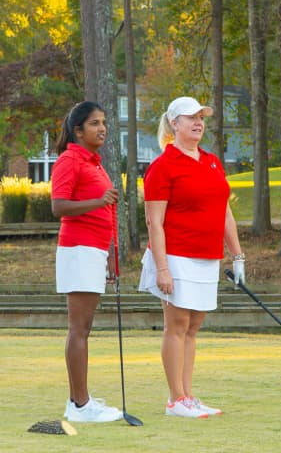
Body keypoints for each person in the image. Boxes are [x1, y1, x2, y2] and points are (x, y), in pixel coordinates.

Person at [139, 96, 246, 418]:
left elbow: (224, 212)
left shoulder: (212, 161)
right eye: (190, 117)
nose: (198, 122)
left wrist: (237, 256)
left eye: (201, 117)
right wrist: (162, 269)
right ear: (175, 124)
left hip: (206, 256)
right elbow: (153, 222)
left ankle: (188, 395)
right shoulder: (163, 166)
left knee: (194, 327)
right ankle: (176, 400)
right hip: (175, 255)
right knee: (177, 325)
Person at [51, 101, 123, 423]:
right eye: (94, 123)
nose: (102, 128)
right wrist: (99, 200)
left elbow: (104, 214)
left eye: (103, 122)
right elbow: (59, 206)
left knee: (85, 327)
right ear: (78, 130)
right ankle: (79, 405)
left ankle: (80, 400)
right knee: (78, 328)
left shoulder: (94, 163)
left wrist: (108, 255)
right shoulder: (70, 160)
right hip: (78, 249)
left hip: (93, 251)